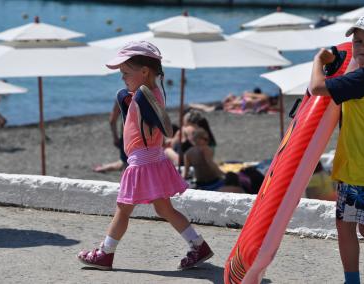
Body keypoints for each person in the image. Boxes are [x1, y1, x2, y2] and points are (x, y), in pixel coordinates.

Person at [77, 41, 213, 271]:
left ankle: (105, 254)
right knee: (164, 209)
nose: (122, 78)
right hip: (154, 159)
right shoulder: (151, 93)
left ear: (144, 72)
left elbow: (161, 126)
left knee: (123, 208)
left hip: (142, 163)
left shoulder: (143, 96)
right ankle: (198, 245)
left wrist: (130, 101)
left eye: (126, 73)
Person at [309, 9, 364, 284]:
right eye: (359, 41)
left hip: (360, 168)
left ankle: (352, 281)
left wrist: (318, 60)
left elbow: (316, 88)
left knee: (347, 228)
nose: (363, 48)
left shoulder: (363, 78)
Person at [183, 128, 243, 193]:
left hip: (200, 183)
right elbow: (211, 164)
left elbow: (185, 173)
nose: (207, 141)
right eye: (205, 139)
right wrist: (224, 175)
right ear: (198, 139)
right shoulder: (205, 149)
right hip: (213, 182)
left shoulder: (187, 153)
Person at [93, 96, 129, 173]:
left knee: (126, 164)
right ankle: (106, 167)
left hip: (127, 137)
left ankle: (105, 167)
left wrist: (115, 138)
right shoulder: (146, 94)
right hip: (144, 138)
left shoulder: (122, 95)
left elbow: (112, 120)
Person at [188, 87, 275, 114]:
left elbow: (241, 100)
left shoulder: (252, 100)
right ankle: (192, 106)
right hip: (228, 105)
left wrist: (231, 104)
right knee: (207, 108)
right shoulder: (254, 101)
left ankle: (193, 106)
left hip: (227, 105)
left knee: (207, 108)